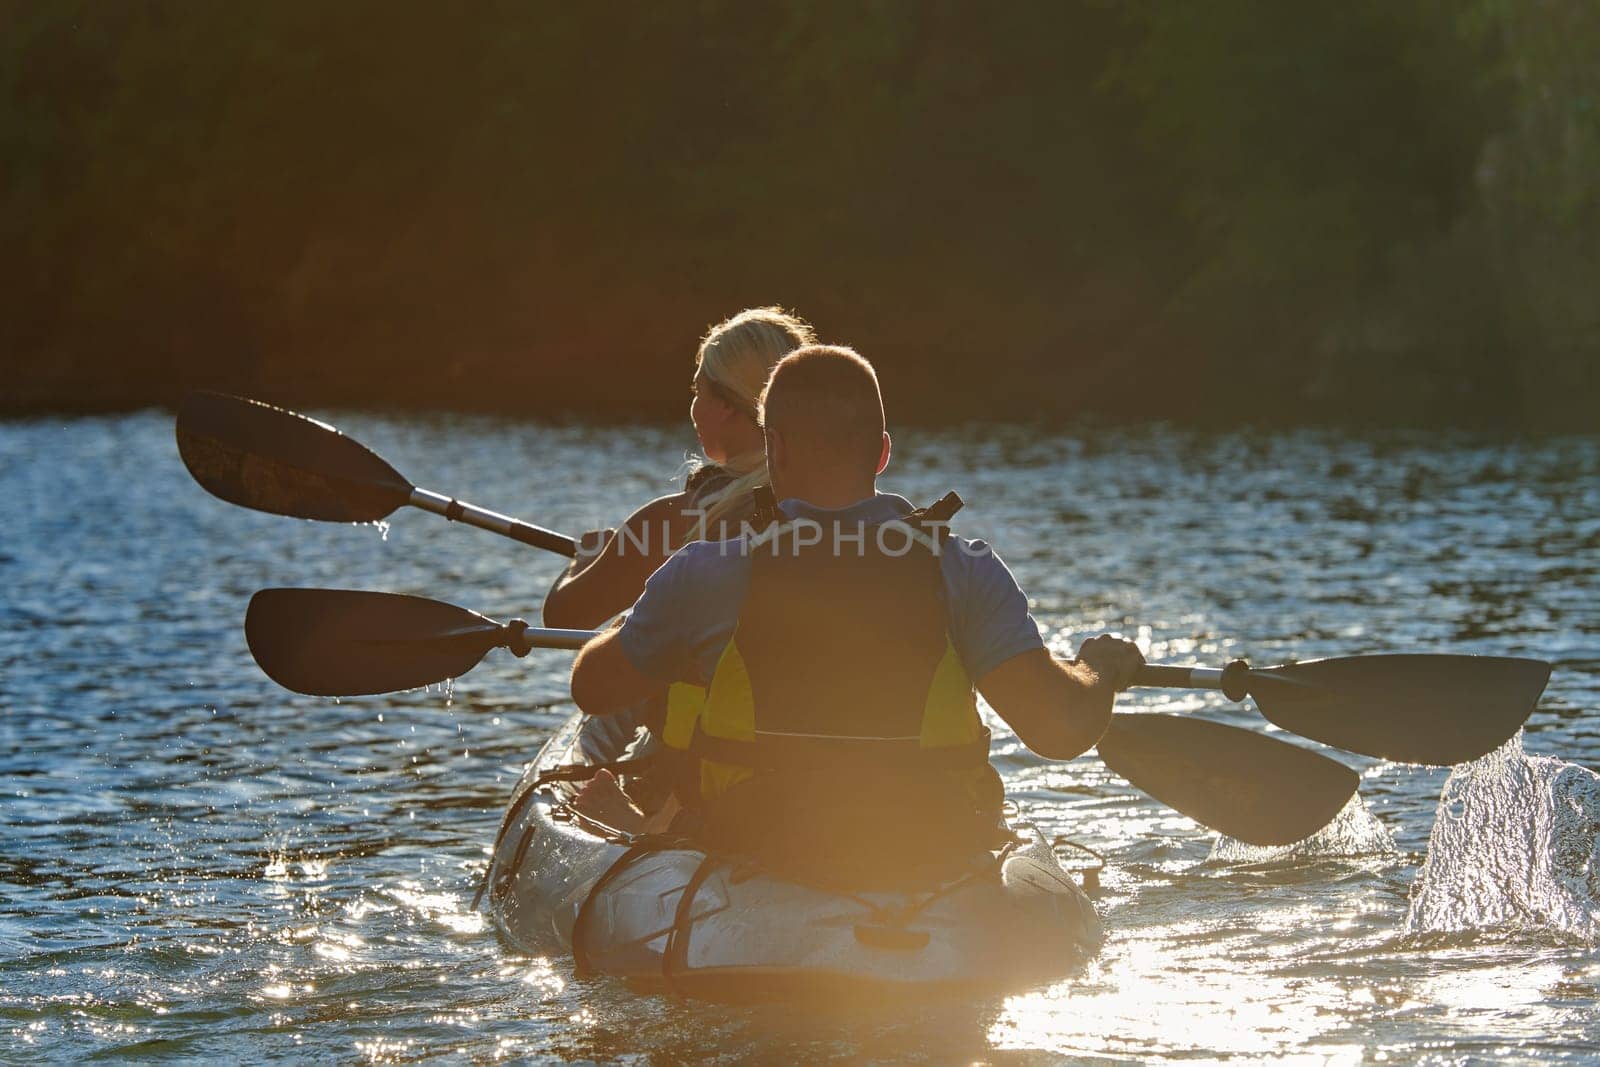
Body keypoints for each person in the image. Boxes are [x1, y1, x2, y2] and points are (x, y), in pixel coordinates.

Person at [568, 345, 1144, 883]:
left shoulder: (709, 571)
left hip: (756, 851)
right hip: (931, 851)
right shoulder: (963, 568)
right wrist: (1096, 669)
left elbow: (594, 688)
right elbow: (1061, 730)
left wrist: (639, 620)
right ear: (883, 451)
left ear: (776, 451)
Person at [542, 306, 816, 630]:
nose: (694, 407)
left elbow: (562, 616)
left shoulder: (674, 521)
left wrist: (585, 561)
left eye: (699, 392)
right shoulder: (836, 503)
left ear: (727, 404)